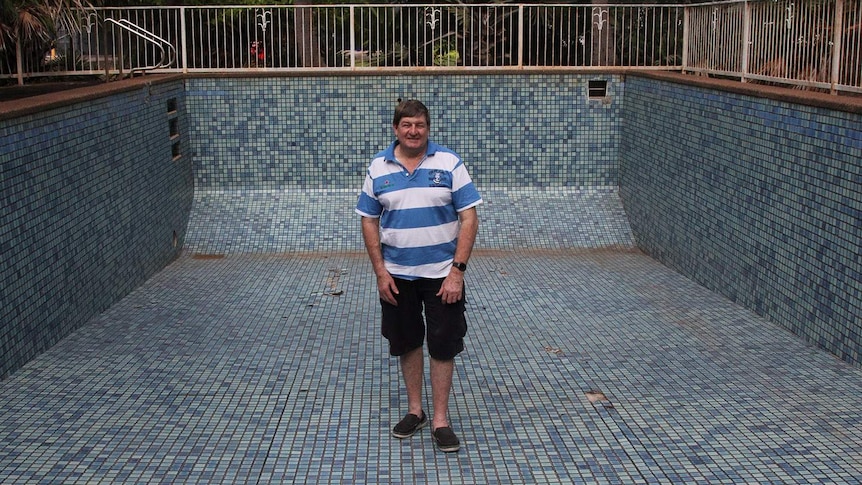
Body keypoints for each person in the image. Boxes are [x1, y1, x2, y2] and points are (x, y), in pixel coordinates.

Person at [356, 100, 482, 453]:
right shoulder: (378, 167)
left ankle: (441, 419)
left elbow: (469, 218)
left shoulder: (449, 163)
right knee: (407, 342)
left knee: (443, 345)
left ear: (428, 128)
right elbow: (368, 219)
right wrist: (381, 272)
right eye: (407, 124)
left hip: (443, 275)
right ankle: (416, 411)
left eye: (420, 125)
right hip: (397, 276)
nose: (414, 131)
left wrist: (457, 272)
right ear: (395, 128)